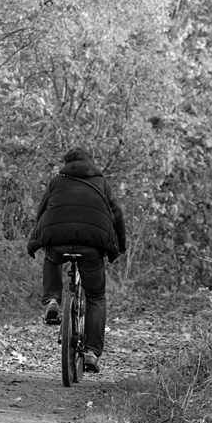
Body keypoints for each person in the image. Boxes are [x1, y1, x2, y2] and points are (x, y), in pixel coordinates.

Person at [26, 147, 126, 373]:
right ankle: (91, 353)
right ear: (89, 162)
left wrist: (34, 241)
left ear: (66, 163)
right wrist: (120, 246)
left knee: (52, 258)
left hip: (58, 240)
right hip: (91, 244)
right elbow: (117, 214)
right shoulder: (100, 182)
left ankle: (52, 300)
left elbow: (41, 213)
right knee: (96, 296)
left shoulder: (56, 182)